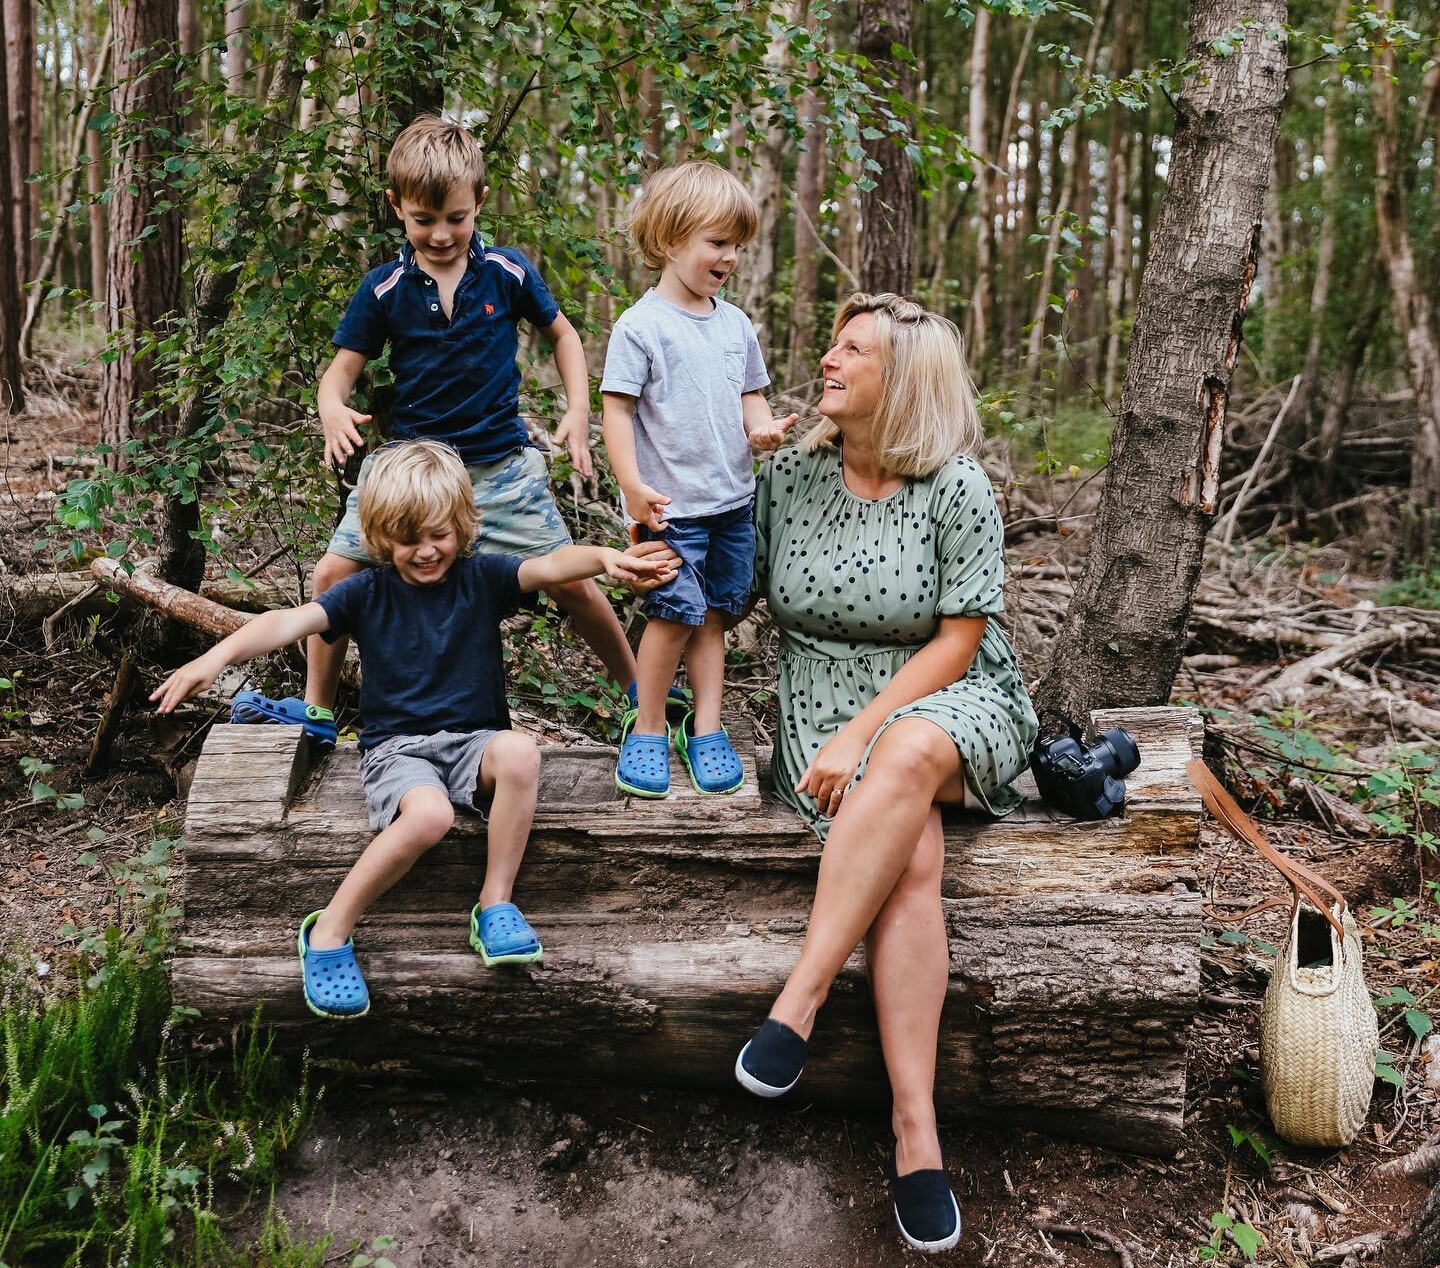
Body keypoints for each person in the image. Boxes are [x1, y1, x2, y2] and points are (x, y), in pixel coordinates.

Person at [150, 440, 678, 1018]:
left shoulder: (483, 578)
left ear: (462, 526)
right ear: (379, 536)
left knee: (523, 753)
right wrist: (212, 661)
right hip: (398, 751)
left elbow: (551, 565)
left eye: (439, 535)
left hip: (474, 745)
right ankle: (328, 931)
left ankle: (494, 905)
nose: (426, 552)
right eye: (407, 539)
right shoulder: (366, 591)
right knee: (429, 815)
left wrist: (605, 558)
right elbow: (287, 621)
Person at [731, 294, 1038, 1254]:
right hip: (817, 707)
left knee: (902, 754)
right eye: (832, 343)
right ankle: (917, 1133)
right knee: (913, 861)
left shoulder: (957, 487)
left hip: (947, 701)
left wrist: (863, 732)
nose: (826, 360)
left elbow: (961, 640)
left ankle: (801, 1001)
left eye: (850, 350)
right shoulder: (787, 475)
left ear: (900, 379)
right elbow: (723, 592)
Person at [231, 115, 641, 743]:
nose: (441, 234)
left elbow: (562, 333)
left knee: (575, 581)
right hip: (410, 474)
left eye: (455, 217)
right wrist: (333, 410)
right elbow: (337, 375)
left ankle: (641, 697)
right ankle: (317, 710)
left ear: (479, 199)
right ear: (397, 207)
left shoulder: (506, 272)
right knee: (331, 579)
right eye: (424, 220)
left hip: (498, 468)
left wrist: (578, 408)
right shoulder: (384, 289)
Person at [600, 161, 796, 797]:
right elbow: (619, 411)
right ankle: (650, 727)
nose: (731, 257)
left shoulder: (735, 324)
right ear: (668, 240)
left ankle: (706, 728)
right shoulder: (642, 326)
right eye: (718, 243)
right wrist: (630, 484)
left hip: (731, 504)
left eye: (738, 245)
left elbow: (750, 396)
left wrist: (761, 429)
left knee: (712, 617)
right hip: (671, 509)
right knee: (671, 614)